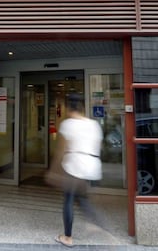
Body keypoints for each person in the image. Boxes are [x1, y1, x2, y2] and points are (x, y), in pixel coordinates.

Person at [54, 94, 104, 248]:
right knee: (82, 197)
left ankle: (67, 237)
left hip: (74, 165)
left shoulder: (68, 124)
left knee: (68, 199)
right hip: (91, 166)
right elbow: (100, 147)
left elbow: (61, 149)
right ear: (82, 108)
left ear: (69, 109)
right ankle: (98, 224)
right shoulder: (94, 124)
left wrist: (54, 169)